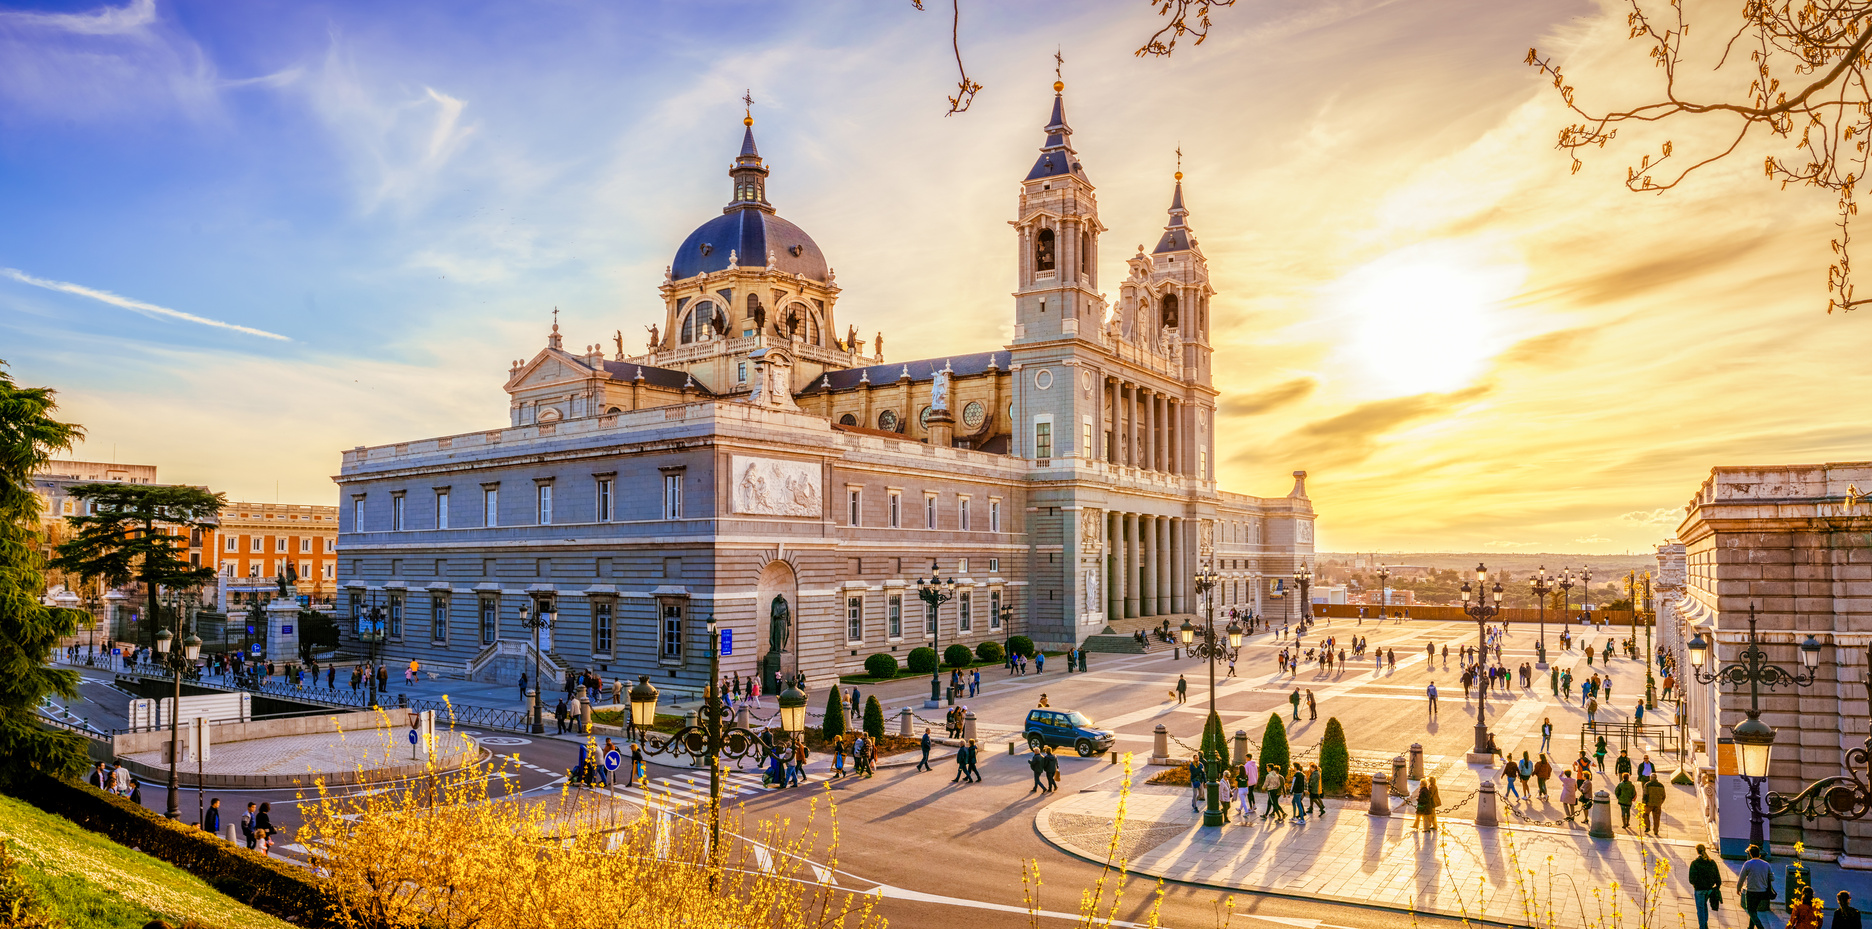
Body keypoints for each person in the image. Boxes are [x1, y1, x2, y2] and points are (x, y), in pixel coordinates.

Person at [1688, 844, 1723, 929]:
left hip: (1699, 889)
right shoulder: (1711, 862)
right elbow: (1717, 876)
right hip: (1709, 889)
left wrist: (1695, 884)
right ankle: (1705, 923)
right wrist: (1717, 886)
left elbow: (1691, 879)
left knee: (1700, 908)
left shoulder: (1695, 863)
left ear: (1697, 851)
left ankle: (1702, 926)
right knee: (1704, 905)